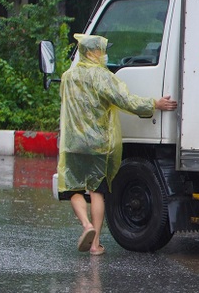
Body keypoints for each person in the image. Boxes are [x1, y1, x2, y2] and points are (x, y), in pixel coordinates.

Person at [57, 34, 178, 256]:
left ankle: (87, 226)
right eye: (102, 51)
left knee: (72, 189)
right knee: (97, 191)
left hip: (73, 143)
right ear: (94, 52)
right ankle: (95, 246)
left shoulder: (68, 76)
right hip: (98, 144)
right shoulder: (104, 77)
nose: (104, 55)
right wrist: (154, 103)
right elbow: (126, 101)